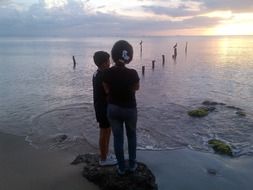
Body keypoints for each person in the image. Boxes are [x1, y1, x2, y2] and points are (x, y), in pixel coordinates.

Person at [103, 40, 140, 175]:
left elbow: (106, 89)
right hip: (130, 109)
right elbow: (136, 88)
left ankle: (121, 167)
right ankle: (132, 164)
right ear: (129, 56)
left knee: (118, 138)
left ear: (113, 55)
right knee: (131, 136)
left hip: (113, 108)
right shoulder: (133, 73)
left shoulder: (107, 73)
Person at [92, 51, 117, 166]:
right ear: (102, 63)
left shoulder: (97, 73)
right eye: (108, 61)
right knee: (104, 132)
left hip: (100, 106)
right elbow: (109, 92)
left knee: (107, 130)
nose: (109, 63)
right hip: (103, 108)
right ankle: (103, 159)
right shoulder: (103, 76)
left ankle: (105, 154)